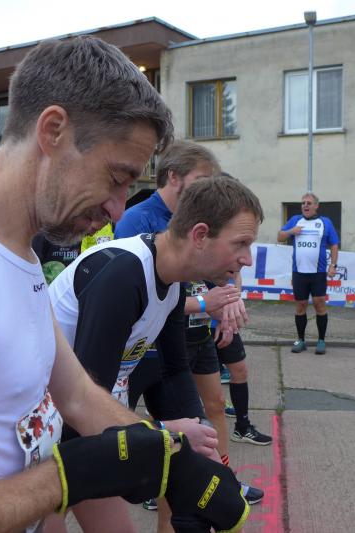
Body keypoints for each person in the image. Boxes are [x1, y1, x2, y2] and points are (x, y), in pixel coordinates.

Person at [0, 37, 248, 533]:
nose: (118, 208)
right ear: (53, 130)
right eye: (117, 177)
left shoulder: (21, 254)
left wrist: (172, 460)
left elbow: (76, 396)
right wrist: (70, 476)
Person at [48, 176, 263, 532]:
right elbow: (80, 409)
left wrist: (202, 444)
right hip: (45, 431)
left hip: (88, 425)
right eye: (241, 243)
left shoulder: (172, 280)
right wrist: (164, 434)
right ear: (200, 235)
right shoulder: (124, 275)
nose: (248, 259)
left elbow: (174, 371)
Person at [115, 143, 266, 514]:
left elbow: (224, 273)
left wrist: (228, 303)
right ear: (174, 176)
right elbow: (138, 301)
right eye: (201, 180)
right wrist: (204, 303)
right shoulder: (139, 220)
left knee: (209, 411)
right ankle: (151, 480)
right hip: (145, 346)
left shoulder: (206, 222)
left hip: (192, 335)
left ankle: (222, 479)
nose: (209, 189)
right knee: (135, 432)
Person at [278, 192, 340, 355]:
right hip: (299, 272)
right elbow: (280, 237)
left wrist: (333, 265)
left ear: (316, 206)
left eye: (309, 203)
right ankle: (301, 340)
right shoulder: (295, 220)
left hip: (318, 272)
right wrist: (292, 231)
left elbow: (334, 245)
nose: (305, 205)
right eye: (303, 203)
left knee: (320, 303)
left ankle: (321, 341)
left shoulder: (325, 222)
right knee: (301, 305)